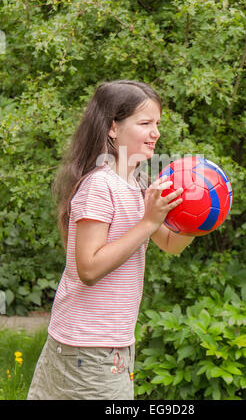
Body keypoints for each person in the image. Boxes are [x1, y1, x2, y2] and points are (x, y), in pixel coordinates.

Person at [27, 80, 188, 400]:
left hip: (109, 343)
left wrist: (199, 219)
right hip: (86, 348)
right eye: (145, 123)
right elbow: (88, 268)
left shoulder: (138, 183)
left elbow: (170, 244)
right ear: (113, 128)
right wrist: (148, 222)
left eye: (157, 123)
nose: (155, 132)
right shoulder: (99, 186)